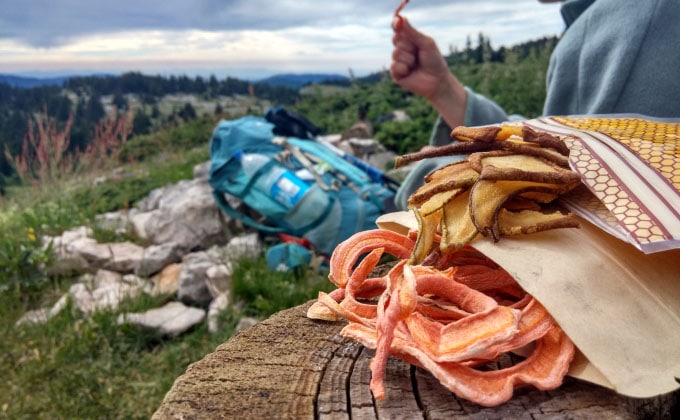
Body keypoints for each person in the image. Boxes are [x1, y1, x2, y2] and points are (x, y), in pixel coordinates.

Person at [389, 0, 680, 210]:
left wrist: (435, 174)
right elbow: (556, 144)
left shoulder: (634, 24)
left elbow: (578, 194)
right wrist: (446, 90)